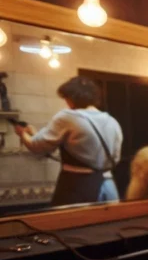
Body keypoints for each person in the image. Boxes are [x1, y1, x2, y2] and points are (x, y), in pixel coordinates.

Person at [15, 76, 124, 206]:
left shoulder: (67, 117)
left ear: (71, 97)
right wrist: (34, 133)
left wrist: (22, 134)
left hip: (78, 187)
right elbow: (113, 156)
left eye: (66, 97)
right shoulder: (112, 121)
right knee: (109, 225)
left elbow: (37, 146)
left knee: (72, 225)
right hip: (109, 187)